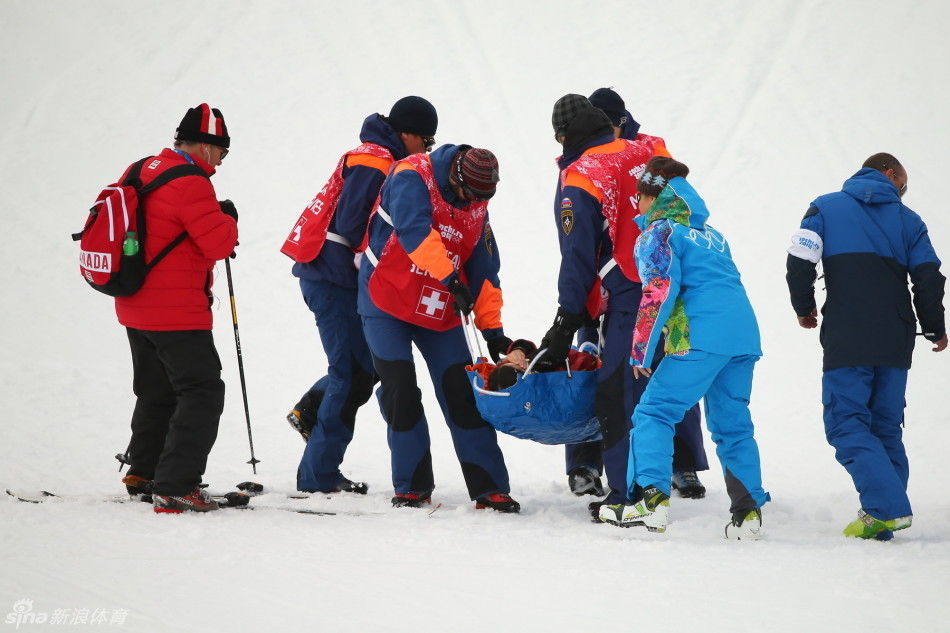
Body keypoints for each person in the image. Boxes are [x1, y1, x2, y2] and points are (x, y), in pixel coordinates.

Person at [539, 94, 705, 518]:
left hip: (632, 294)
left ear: (566, 138)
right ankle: (663, 478)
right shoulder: (643, 151)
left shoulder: (583, 173)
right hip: (680, 285)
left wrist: (567, 316)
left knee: (619, 393)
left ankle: (627, 495)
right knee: (664, 391)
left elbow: (578, 254)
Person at [599, 157, 769, 538]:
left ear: (651, 197)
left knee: (654, 411)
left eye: (638, 199)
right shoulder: (712, 235)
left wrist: (640, 350)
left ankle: (650, 503)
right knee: (732, 424)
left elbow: (658, 290)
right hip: (742, 336)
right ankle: (748, 514)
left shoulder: (659, 232)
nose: (636, 207)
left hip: (700, 336)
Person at [281, 96, 438, 494]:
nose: (427, 149)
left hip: (334, 276)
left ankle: (313, 412)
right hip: (331, 278)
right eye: (426, 140)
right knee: (351, 375)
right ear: (407, 133)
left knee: (364, 370)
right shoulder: (376, 160)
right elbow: (353, 226)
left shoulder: (380, 156)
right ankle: (318, 475)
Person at [786, 153, 946, 540]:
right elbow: (928, 278)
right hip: (896, 335)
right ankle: (883, 521)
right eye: (903, 185)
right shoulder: (910, 221)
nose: (902, 194)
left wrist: (804, 308)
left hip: (848, 332)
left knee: (846, 423)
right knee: (885, 427)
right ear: (889, 174)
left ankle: (886, 509)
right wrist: (934, 328)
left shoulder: (824, 208)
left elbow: (799, 262)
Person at [358, 144, 520, 512]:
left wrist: (493, 331)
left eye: (481, 198)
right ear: (454, 177)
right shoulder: (412, 174)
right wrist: (451, 278)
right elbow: (415, 232)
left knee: (461, 393)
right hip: (386, 298)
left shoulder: (476, 200)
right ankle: (412, 487)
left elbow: (484, 269)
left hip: (439, 308)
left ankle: (490, 487)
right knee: (400, 390)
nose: (473, 204)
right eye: (469, 195)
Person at [116, 104, 239, 513]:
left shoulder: (140, 169)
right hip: (175, 311)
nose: (221, 160)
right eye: (221, 150)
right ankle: (176, 485)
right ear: (204, 146)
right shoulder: (192, 183)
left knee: (157, 390)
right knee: (202, 390)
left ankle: (144, 473)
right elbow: (219, 244)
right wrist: (229, 219)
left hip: (133, 302)